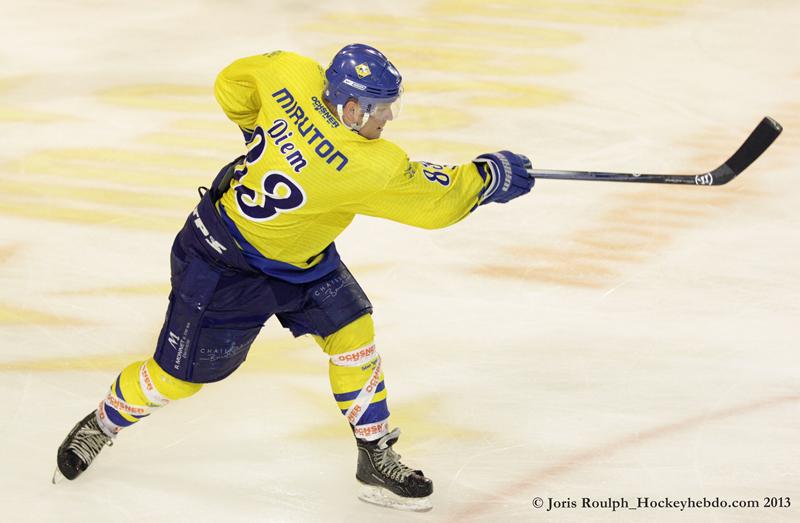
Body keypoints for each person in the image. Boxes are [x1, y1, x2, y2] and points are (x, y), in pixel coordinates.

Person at [54, 43, 534, 512]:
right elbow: (438, 203)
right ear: (348, 107)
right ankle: (104, 422)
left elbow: (232, 82)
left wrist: (252, 129)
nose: (387, 119)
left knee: (354, 336)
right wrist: (488, 176)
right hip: (223, 266)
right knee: (175, 380)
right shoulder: (367, 166)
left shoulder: (291, 72)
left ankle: (374, 453)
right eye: (379, 110)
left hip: (300, 258)